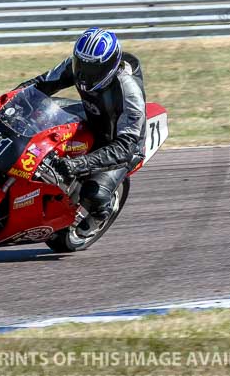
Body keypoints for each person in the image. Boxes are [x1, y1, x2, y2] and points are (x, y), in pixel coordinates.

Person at [16, 27, 147, 238]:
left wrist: (79, 164)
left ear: (109, 67)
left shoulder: (129, 93)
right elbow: (39, 85)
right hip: (91, 116)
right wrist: (5, 103)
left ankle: (100, 213)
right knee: (37, 114)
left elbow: (125, 147)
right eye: (81, 64)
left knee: (92, 193)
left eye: (92, 69)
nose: (84, 73)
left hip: (120, 142)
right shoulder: (76, 65)